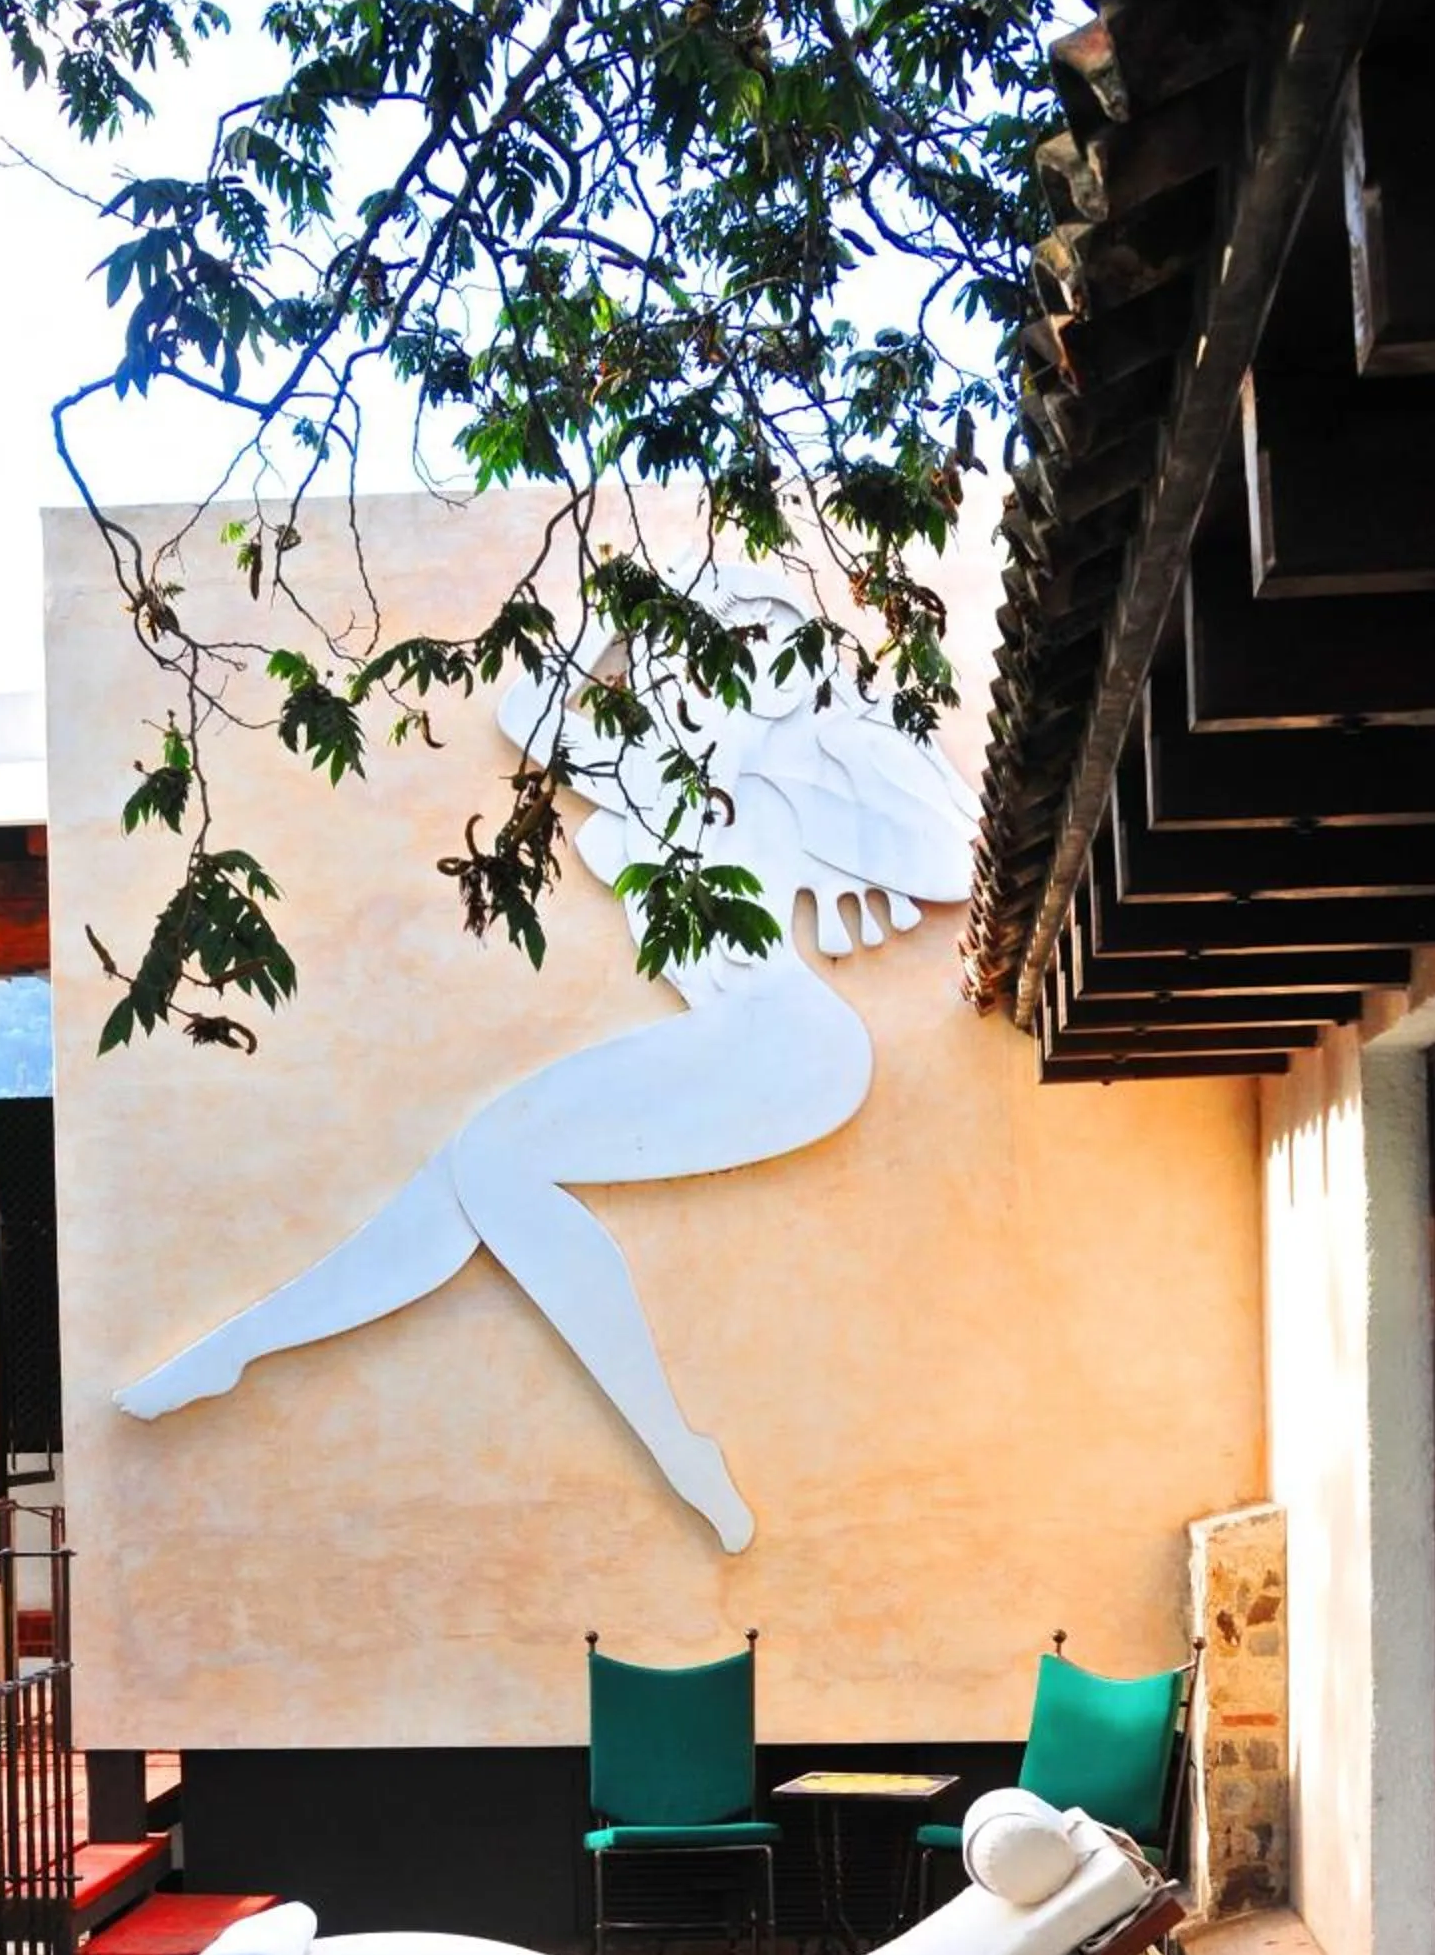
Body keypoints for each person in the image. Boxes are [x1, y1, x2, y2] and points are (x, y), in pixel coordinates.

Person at [116, 564, 977, 1550]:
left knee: (490, 1160)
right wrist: (651, 587)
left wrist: (823, 708)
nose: (680, 670)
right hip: (734, 1040)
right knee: (469, 1176)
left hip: (794, 1046)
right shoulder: (656, 773)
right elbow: (531, 710)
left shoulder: (784, 782)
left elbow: (953, 854)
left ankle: (668, 1445)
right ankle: (242, 1347)